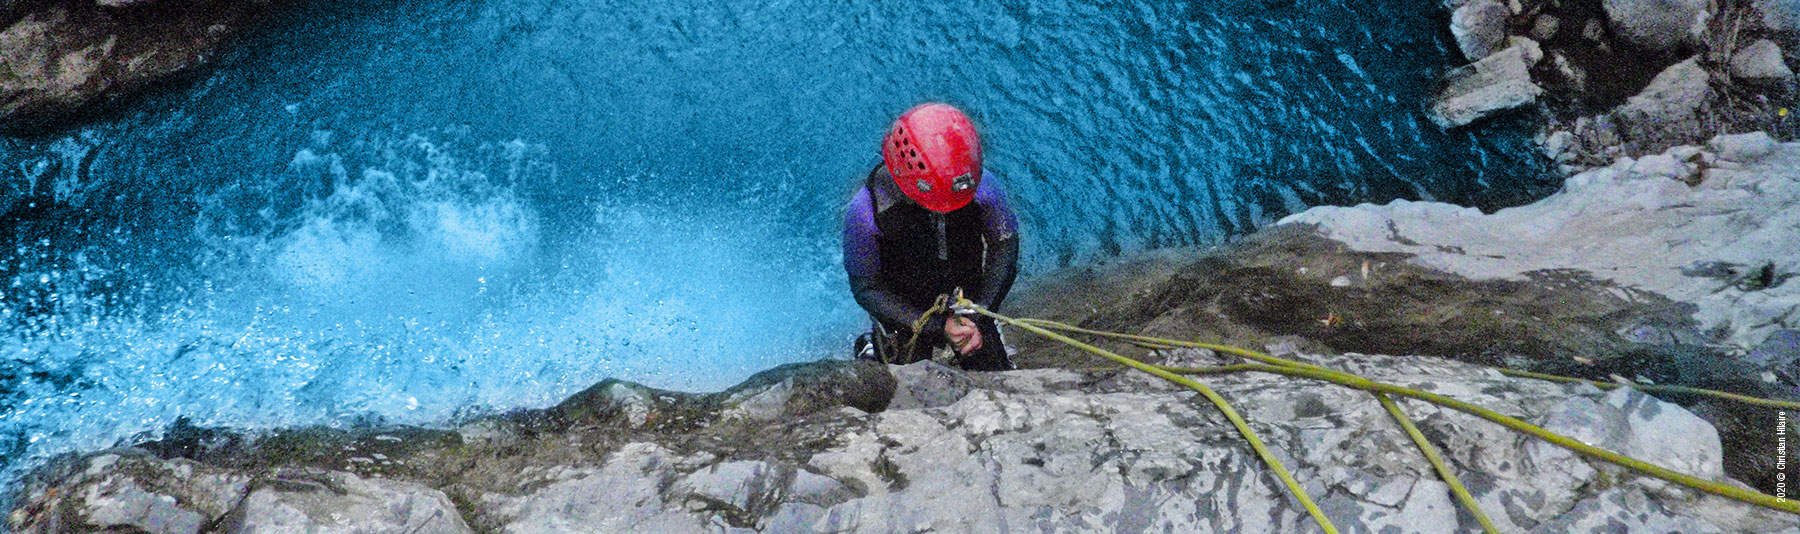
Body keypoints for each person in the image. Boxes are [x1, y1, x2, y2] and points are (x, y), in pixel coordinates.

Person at [843, 103, 1020, 371]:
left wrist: (980, 312)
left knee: (993, 369)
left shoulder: (979, 186)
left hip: (965, 298)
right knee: (901, 381)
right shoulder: (866, 214)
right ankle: (872, 344)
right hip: (905, 304)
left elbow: (1004, 245)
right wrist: (933, 326)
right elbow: (867, 287)